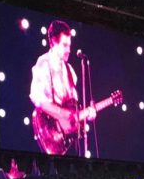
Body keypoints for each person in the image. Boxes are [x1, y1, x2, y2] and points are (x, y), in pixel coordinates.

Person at [29, 20, 95, 155]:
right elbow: (38, 99)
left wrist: (87, 113)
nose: (68, 50)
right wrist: (62, 114)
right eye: (65, 45)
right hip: (50, 134)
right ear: (53, 42)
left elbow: (74, 109)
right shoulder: (43, 64)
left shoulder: (70, 71)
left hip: (69, 140)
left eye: (69, 45)